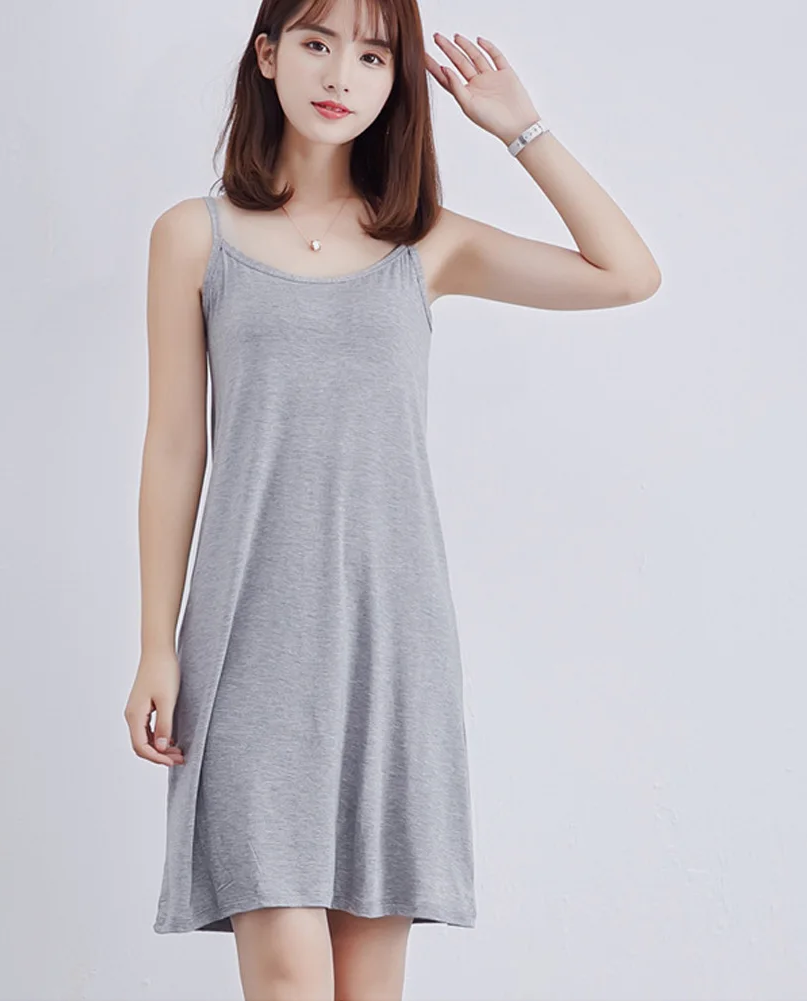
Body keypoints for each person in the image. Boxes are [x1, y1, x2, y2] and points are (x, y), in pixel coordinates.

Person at [124, 0, 661, 996]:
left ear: (396, 80)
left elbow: (626, 275)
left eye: (372, 56)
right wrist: (156, 642)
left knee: (366, 981)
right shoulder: (192, 237)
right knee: (287, 973)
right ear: (267, 54)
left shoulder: (426, 243)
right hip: (248, 640)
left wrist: (522, 131)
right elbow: (172, 448)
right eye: (316, 43)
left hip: (389, 637)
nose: (340, 75)